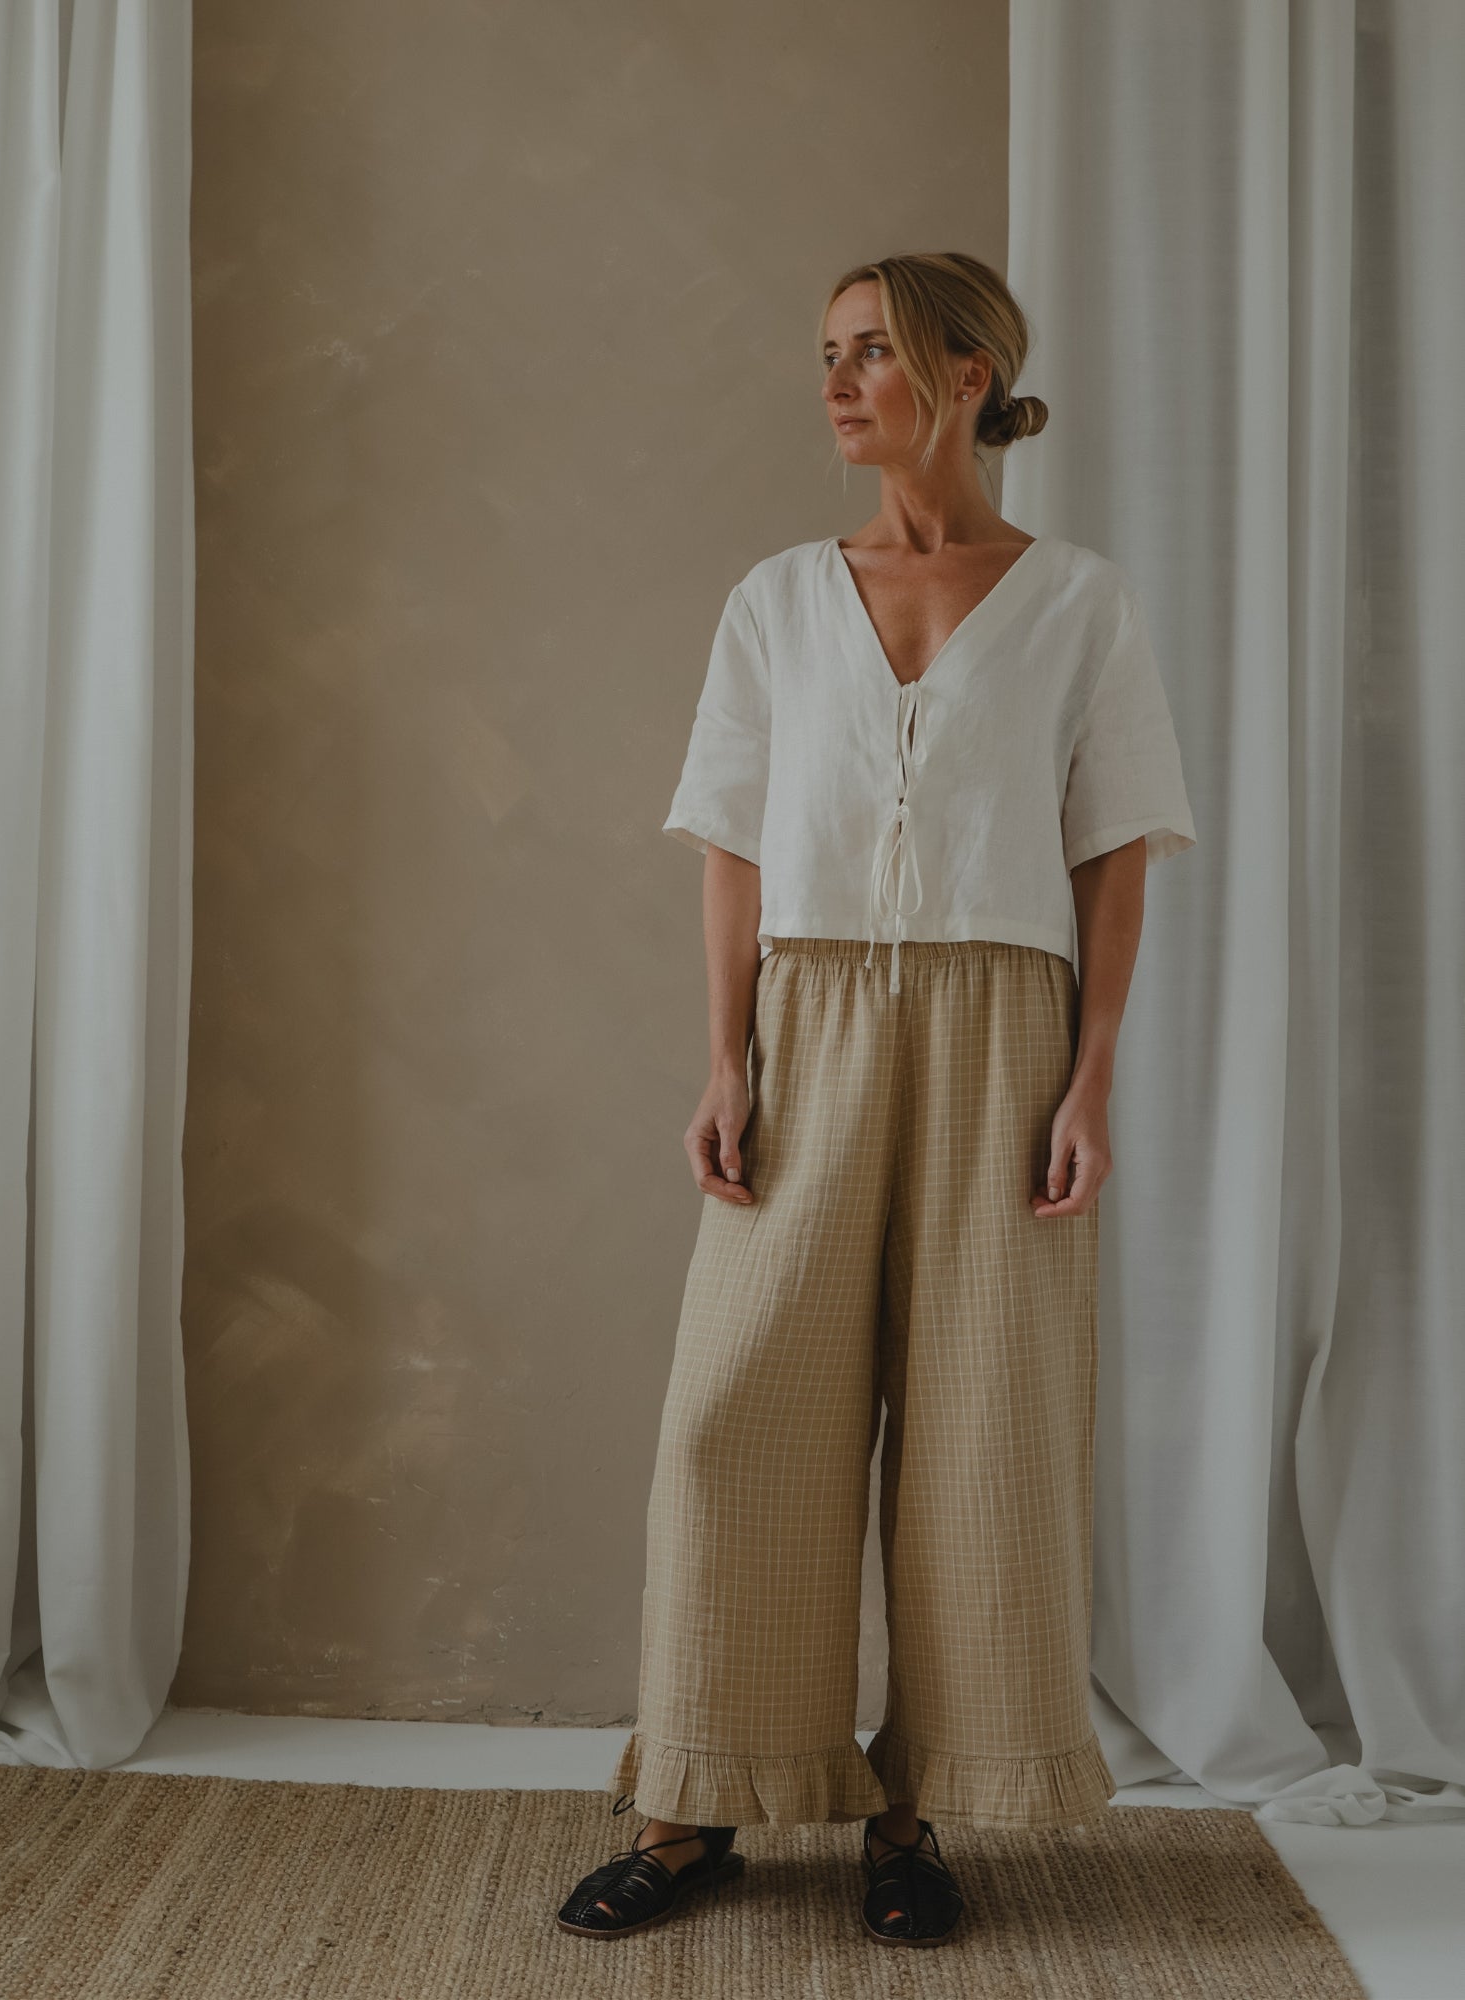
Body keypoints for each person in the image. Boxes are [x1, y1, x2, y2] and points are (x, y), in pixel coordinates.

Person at [556, 251, 1197, 1947]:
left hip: (1007, 1029)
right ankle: (695, 1802)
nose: (838, 384)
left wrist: (1093, 1077)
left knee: (978, 1432)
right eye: (828, 356)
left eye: (874, 355)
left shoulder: (1077, 602)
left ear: (970, 376)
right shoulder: (776, 599)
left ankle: (915, 1817)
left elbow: (1115, 849)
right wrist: (726, 1055)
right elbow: (736, 847)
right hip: (811, 1012)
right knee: (732, 1425)